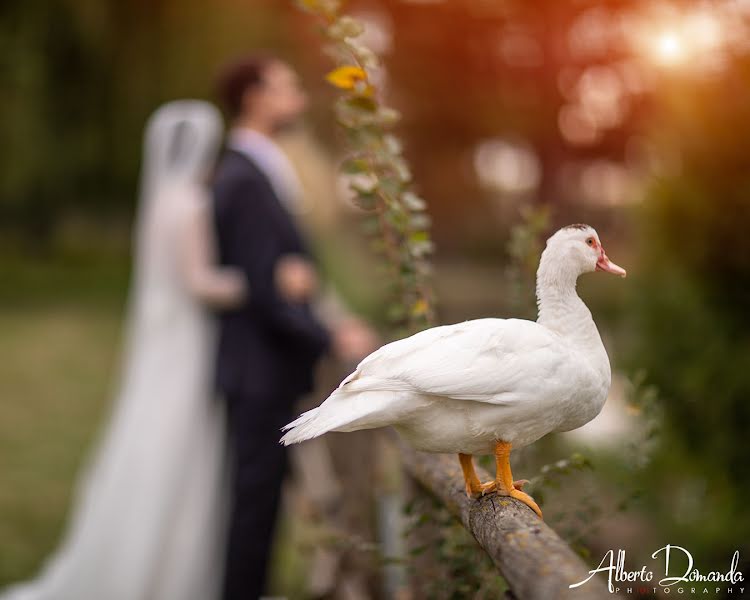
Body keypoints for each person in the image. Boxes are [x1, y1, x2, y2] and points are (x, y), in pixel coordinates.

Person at [0, 100, 246, 600]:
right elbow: (200, 283)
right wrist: (251, 284)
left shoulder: (159, 200)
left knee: (148, 432)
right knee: (181, 443)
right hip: (186, 341)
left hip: (161, 337)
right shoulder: (194, 204)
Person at [213, 55, 375, 600]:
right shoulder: (243, 175)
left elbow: (283, 273)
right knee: (253, 511)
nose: (300, 99)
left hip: (266, 368)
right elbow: (265, 290)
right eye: (288, 88)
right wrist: (332, 338)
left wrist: (305, 287)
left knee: (262, 509)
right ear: (255, 97)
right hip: (259, 371)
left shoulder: (257, 168)